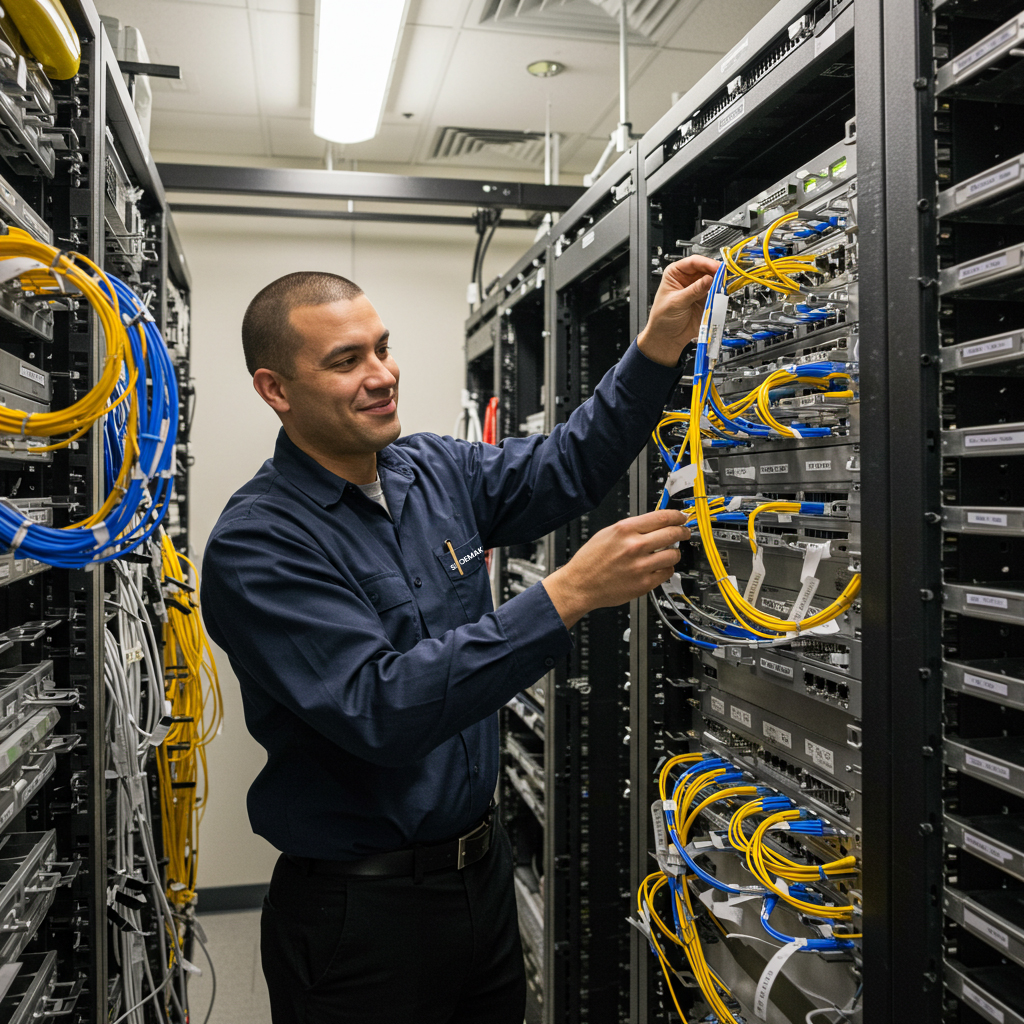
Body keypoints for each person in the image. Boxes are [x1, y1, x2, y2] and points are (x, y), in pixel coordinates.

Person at [200, 254, 720, 1024]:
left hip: (480, 882)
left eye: (382, 347)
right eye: (347, 361)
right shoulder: (260, 545)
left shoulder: (430, 468)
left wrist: (655, 347)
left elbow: (566, 466)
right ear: (276, 389)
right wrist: (567, 593)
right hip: (359, 917)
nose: (382, 374)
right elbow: (381, 707)